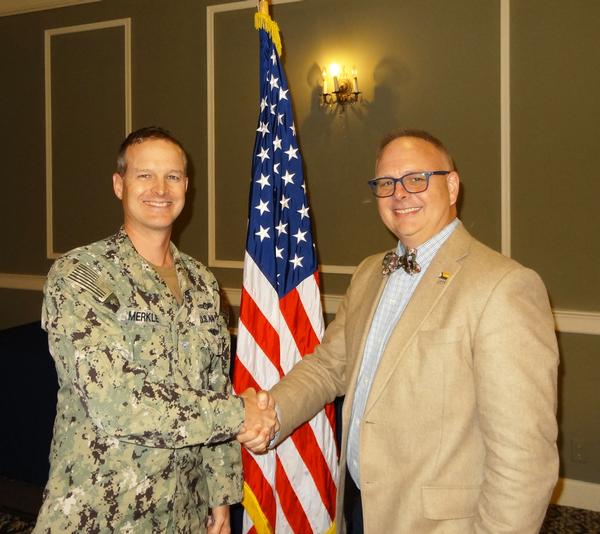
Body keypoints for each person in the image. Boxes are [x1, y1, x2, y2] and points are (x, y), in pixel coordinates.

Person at [243, 130, 559, 533]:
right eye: (386, 184)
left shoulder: (504, 286)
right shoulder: (369, 271)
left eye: (416, 179)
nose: (400, 194)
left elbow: (524, 459)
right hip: (358, 505)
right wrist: (272, 412)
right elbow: (328, 366)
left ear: (452, 186)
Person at [34, 127, 277, 534]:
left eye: (174, 176)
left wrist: (219, 494)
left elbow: (214, 386)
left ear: (187, 186)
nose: (160, 189)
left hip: (184, 509)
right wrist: (242, 414)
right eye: (144, 175)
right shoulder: (80, 275)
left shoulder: (202, 283)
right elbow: (117, 402)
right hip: (100, 510)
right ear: (119, 184)